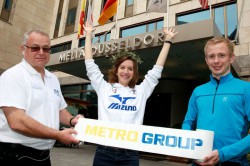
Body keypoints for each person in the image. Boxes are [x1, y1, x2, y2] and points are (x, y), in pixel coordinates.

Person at [84, 22, 177, 166]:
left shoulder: (141, 91)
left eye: (130, 69)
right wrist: (89, 34)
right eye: (122, 67)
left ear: (134, 73)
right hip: (104, 152)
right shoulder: (104, 88)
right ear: (116, 70)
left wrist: (168, 41)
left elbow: (156, 71)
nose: (126, 72)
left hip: (130, 154)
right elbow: (90, 66)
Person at [0, 29, 82, 166]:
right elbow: (17, 121)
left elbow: (59, 110)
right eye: (35, 48)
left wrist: (72, 120)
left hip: (43, 156)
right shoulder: (13, 76)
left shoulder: (53, 79)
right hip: (14, 155)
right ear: (23, 49)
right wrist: (57, 135)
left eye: (46, 49)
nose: (41, 53)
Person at [182, 37, 250, 166]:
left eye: (222, 55)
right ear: (206, 60)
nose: (216, 61)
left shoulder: (246, 89)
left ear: (231, 58)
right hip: (198, 162)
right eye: (211, 56)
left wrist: (223, 154)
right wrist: (190, 148)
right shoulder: (198, 91)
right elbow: (188, 123)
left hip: (234, 163)